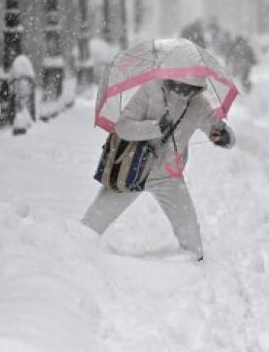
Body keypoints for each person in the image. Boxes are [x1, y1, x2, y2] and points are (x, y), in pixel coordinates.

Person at [82, 75, 235, 262]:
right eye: (183, 84)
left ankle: (190, 273)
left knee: (193, 247)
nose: (186, 90)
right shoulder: (150, 89)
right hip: (131, 171)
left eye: (192, 87)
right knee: (87, 230)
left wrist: (224, 137)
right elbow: (123, 127)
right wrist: (156, 127)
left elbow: (219, 129)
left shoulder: (199, 104)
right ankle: (73, 261)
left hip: (169, 177)